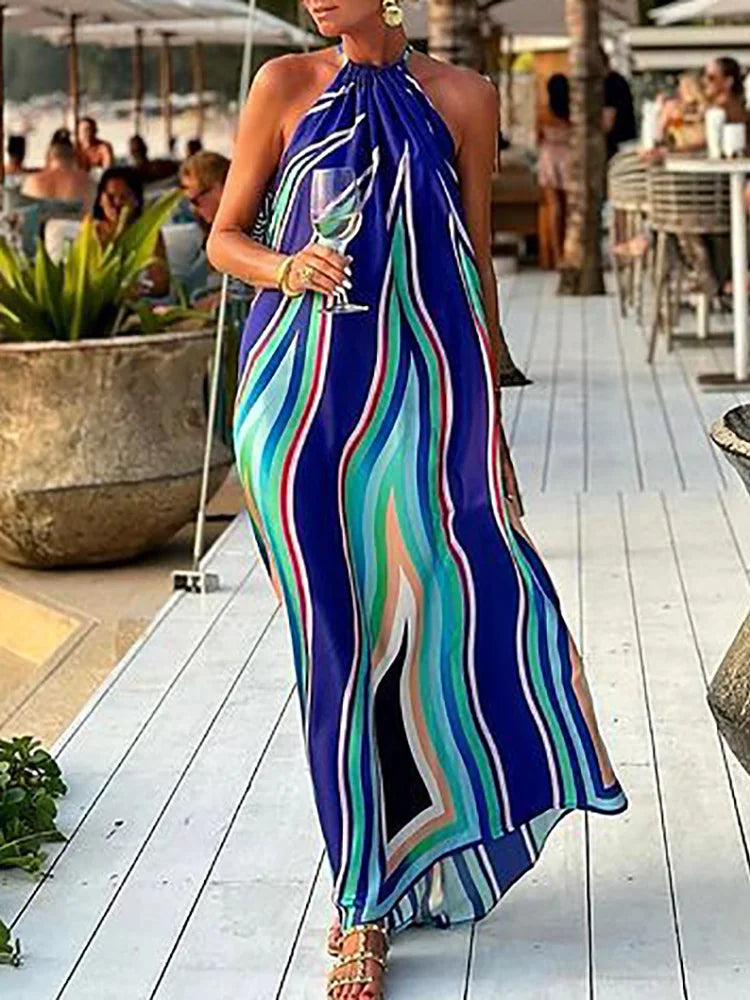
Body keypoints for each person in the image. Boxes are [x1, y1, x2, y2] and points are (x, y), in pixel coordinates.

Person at [208, 7, 627, 998]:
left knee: (455, 614)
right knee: (335, 648)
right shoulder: (283, 85)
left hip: (420, 406)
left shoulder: (466, 98)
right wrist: (287, 266)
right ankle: (361, 903)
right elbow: (225, 239)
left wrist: (491, 430)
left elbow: (474, 270)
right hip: (294, 407)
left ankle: (434, 838)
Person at [92, 167, 170, 298]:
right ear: (100, 200)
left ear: (136, 201)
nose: (117, 203)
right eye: (110, 197)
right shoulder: (93, 233)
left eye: (124, 197)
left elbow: (161, 285)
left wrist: (139, 290)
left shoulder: (149, 233)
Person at [537, 73, 572, 269]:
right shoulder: (572, 111)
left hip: (549, 157)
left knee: (554, 208)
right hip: (568, 157)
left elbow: (538, 136)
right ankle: (568, 253)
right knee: (569, 210)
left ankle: (557, 256)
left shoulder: (543, 112)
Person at [21, 132, 94, 210]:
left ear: (48, 157)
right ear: (74, 157)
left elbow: (24, 212)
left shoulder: (32, 181)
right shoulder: (88, 182)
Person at [601, 47, 637, 159]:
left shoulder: (611, 83)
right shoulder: (617, 80)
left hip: (616, 148)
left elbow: (607, 123)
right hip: (624, 144)